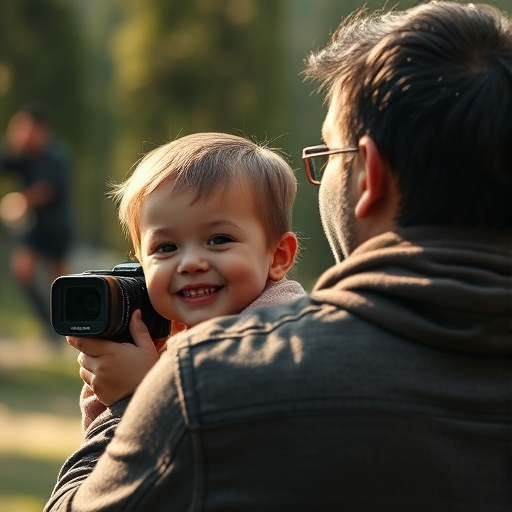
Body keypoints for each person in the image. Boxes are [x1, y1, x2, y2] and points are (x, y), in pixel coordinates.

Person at [46, 2, 512, 510]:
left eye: (328, 153)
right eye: (164, 247)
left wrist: (126, 414)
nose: (192, 261)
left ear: (369, 176)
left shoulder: (208, 384)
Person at [62, 132, 305, 435]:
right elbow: (103, 460)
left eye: (219, 240)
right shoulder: (158, 332)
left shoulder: (283, 335)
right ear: (140, 262)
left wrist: (144, 392)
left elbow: (232, 440)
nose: (190, 263)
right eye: (166, 248)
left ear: (278, 256)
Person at [0, 104, 74, 342]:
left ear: (41, 129)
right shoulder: (22, 154)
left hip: (57, 227)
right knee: (23, 270)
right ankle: (49, 327)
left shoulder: (56, 155)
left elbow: (48, 189)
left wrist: (21, 200)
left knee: (61, 283)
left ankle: (71, 326)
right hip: (35, 229)